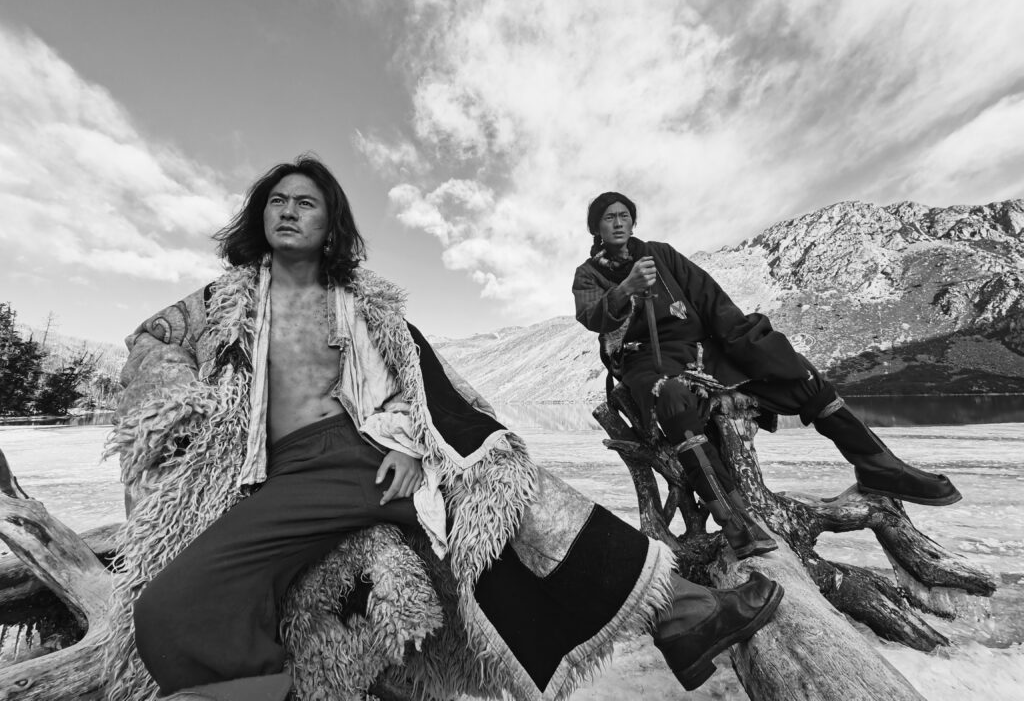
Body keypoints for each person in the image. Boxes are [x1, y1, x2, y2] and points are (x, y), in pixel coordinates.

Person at [105, 158, 784, 701]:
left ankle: (684, 611)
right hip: (280, 477)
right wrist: (178, 404)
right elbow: (150, 341)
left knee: (515, 496)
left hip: (367, 453)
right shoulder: (220, 301)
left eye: (304, 202)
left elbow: (421, 386)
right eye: (277, 200)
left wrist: (405, 443)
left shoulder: (363, 304)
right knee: (170, 609)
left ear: (330, 223)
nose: (287, 209)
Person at [572, 192, 962, 560]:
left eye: (625, 215)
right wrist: (627, 288)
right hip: (647, 362)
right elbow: (593, 317)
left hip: (700, 351)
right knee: (673, 397)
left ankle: (879, 466)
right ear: (597, 229)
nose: (619, 223)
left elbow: (710, 298)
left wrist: (748, 342)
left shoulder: (661, 255)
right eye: (609, 218)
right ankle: (734, 519)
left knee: (798, 373)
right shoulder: (588, 273)